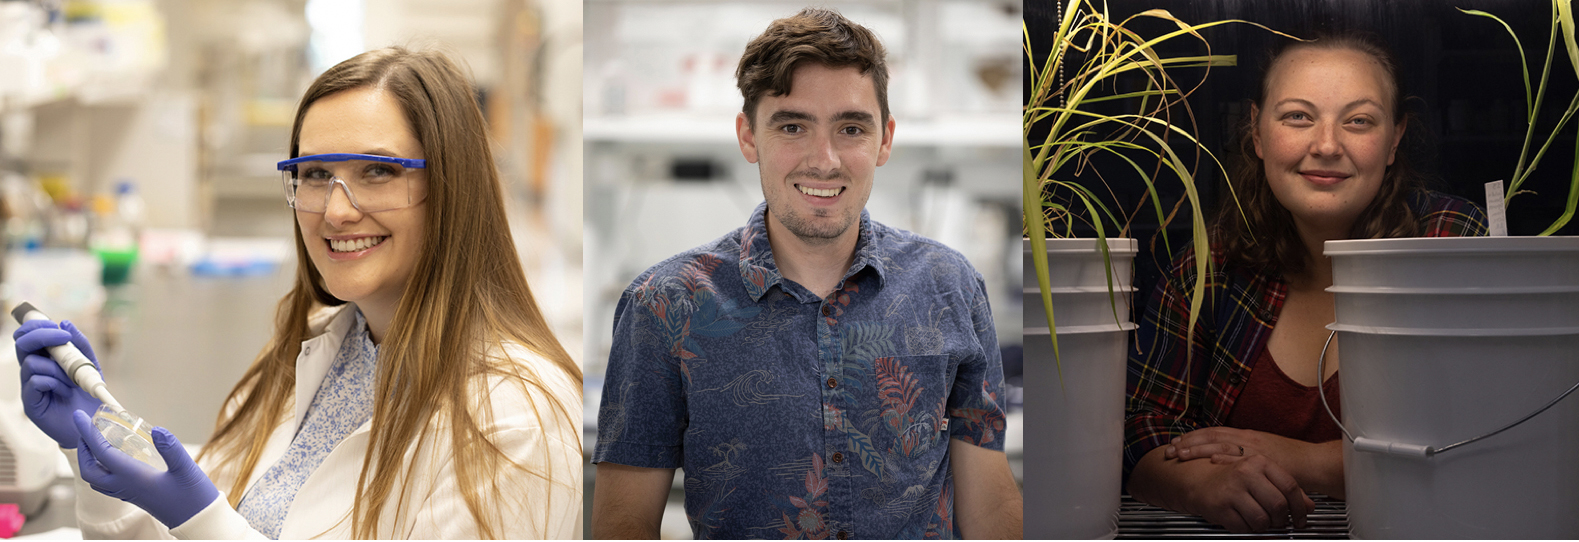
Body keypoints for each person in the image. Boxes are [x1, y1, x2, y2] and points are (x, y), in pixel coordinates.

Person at [11, 47, 582, 539]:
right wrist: (98, 452)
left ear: (451, 187)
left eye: (378, 171)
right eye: (314, 174)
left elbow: (208, 528)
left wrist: (200, 518)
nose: (336, 210)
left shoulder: (517, 418)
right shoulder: (308, 355)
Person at [589, 7, 1022, 540]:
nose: (825, 160)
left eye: (851, 128)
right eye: (793, 126)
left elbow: (990, 508)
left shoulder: (949, 285)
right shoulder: (663, 305)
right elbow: (623, 527)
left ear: (884, 139)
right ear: (749, 137)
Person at [1124, 33, 1488, 534]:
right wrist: (1198, 486)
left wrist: (1297, 459)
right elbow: (1138, 429)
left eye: (1358, 121)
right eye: (1298, 116)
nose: (1326, 145)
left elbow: (1486, 443)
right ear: (1256, 131)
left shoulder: (1452, 241)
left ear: (1394, 139)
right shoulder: (1209, 269)